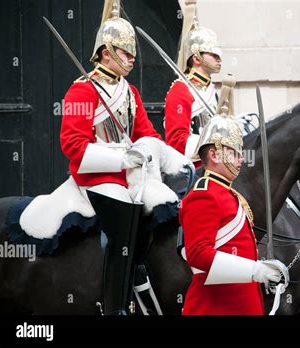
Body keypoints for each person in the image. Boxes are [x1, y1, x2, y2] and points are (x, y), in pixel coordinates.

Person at [59, 0, 192, 315]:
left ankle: (146, 273)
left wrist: (164, 157)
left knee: (167, 207)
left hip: (132, 173)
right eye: (125, 53)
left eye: (133, 53)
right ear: (106, 53)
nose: (132, 59)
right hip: (95, 176)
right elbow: (73, 146)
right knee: (124, 215)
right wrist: (121, 159)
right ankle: (115, 304)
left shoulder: (130, 93)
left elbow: (148, 135)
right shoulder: (81, 92)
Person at [178, 85, 286, 315]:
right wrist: (256, 270)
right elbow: (198, 255)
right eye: (235, 153)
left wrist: (263, 268)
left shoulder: (230, 194)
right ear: (215, 154)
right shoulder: (203, 194)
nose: (240, 160)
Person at [164, 0, 221, 161]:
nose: (219, 59)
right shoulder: (180, 90)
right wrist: (216, 142)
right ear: (196, 58)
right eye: (213, 54)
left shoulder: (211, 89)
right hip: (194, 168)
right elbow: (177, 142)